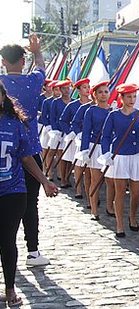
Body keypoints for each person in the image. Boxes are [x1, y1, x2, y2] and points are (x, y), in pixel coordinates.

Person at [0, 81, 58, 306]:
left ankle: (10, 288)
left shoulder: (16, 124)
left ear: (4, 98)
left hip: (13, 191)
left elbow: (26, 158)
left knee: (7, 239)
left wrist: (45, 182)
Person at [0, 34, 52, 266]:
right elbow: (41, 67)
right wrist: (37, 50)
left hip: (3, 150)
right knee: (31, 203)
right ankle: (33, 251)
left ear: (3, 62)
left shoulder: (1, 83)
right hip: (29, 149)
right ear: (23, 60)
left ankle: (5, 252)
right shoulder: (33, 82)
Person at [99, 83, 139, 237]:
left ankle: (133, 216)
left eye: (134, 96)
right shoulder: (114, 115)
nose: (132, 99)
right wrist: (106, 154)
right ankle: (119, 224)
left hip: (137, 156)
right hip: (120, 156)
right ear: (121, 98)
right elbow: (106, 136)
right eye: (128, 96)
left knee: (136, 193)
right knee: (120, 192)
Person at [78, 81, 115, 220]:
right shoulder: (91, 111)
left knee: (111, 181)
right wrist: (84, 150)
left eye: (106, 92)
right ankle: (93, 209)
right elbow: (86, 132)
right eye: (100, 92)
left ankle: (110, 207)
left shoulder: (113, 111)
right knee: (95, 180)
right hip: (96, 147)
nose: (103, 95)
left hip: (110, 148)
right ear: (95, 95)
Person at [59, 78, 91, 198]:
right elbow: (63, 121)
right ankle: (76, 188)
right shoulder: (73, 105)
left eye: (88, 87)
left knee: (87, 165)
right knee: (75, 162)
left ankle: (88, 190)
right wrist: (71, 132)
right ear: (78, 90)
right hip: (76, 137)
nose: (87, 89)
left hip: (88, 138)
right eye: (84, 87)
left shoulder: (93, 104)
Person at [47, 79, 72, 187]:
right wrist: (55, 130)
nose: (66, 90)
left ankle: (67, 176)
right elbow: (53, 118)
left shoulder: (73, 102)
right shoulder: (55, 102)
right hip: (58, 132)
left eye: (68, 88)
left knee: (69, 157)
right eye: (64, 88)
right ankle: (58, 176)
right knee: (58, 154)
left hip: (69, 132)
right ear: (60, 90)